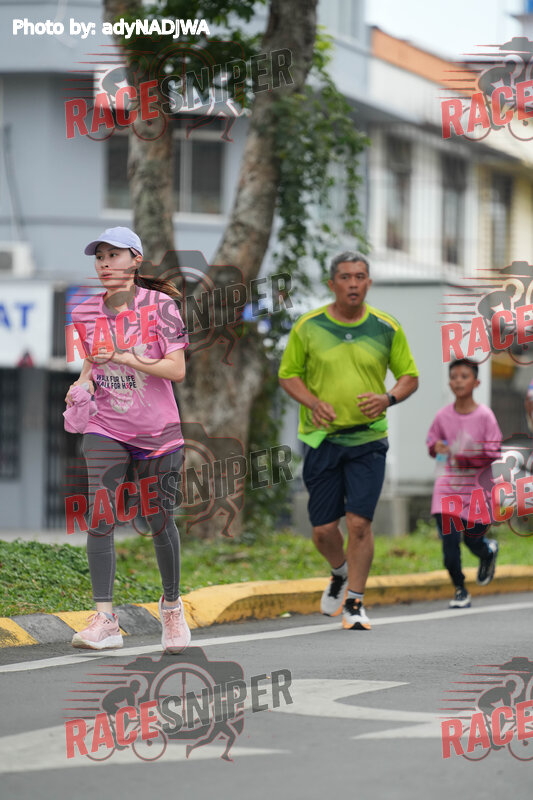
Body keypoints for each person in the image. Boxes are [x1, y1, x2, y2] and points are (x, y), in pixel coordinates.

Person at [65, 226, 191, 653]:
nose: (104, 263)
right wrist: (82, 384)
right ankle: (105, 619)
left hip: (158, 431)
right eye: (99, 256)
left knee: (158, 519)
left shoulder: (162, 307)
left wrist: (123, 356)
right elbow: (91, 362)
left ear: (136, 259)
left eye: (113, 255)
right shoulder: (84, 310)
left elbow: (176, 370)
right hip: (106, 425)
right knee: (99, 513)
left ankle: (171, 607)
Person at [278, 251, 419, 630]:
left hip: (368, 440)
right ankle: (339, 571)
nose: (353, 283)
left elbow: (409, 377)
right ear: (332, 284)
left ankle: (355, 602)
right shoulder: (308, 327)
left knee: (359, 524)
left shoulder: (386, 326)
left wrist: (388, 398)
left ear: (368, 282)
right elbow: (288, 375)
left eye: (360, 276)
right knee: (324, 530)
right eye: (345, 277)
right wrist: (313, 402)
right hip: (321, 439)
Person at [426, 358, 502, 609]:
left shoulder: (485, 416)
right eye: (454, 377)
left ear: (476, 382)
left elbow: (493, 451)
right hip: (447, 489)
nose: (458, 381)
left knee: (472, 540)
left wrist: (465, 456)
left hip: (477, 490)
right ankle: (460, 588)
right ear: (449, 383)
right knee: (449, 547)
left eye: (464, 376)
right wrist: (436, 447)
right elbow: (432, 443)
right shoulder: (442, 416)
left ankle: (487, 551)